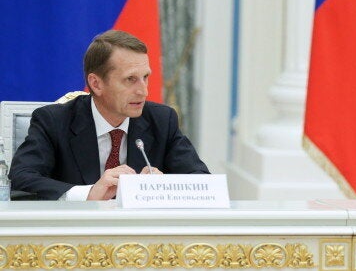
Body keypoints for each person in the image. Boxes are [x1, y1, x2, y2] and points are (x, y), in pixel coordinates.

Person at [9, 30, 210, 200]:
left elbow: (202, 181)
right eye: (130, 79)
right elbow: (22, 178)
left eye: (145, 77)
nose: (143, 91)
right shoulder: (53, 121)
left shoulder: (161, 120)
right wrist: (89, 194)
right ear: (96, 84)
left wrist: (162, 186)